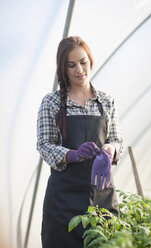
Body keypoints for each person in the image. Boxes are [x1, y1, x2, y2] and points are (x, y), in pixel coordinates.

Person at [37, 36, 123, 248]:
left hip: (101, 198)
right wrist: (71, 154)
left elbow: (116, 138)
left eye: (83, 62)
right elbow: (44, 143)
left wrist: (109, 150)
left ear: (90, 61)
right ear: (63, 69)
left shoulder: (106, 101)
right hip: (63, 203)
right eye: (71, 65)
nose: (79, 70)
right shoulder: (52, 102)